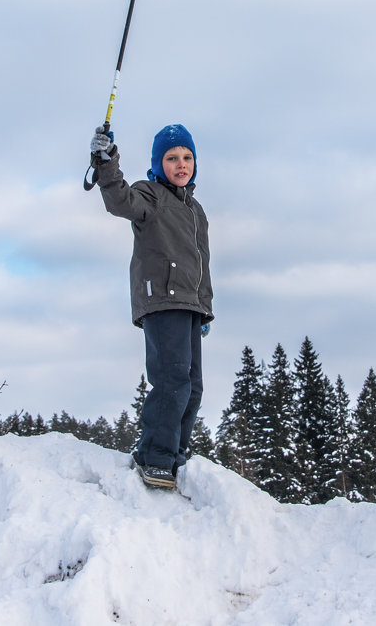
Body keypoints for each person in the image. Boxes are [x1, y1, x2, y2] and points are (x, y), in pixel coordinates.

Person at [90, 121, 214, 489]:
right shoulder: (150, 195)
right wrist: (106, 161)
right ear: (159, 164)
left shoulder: (197, 211)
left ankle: (175, 457)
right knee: (171, 379)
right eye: (172, 158)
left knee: (193, 385)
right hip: (161, 300)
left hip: (191, 304)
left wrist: (205, 307)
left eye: (187, 157)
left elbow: (203, 264)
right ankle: (156, 458)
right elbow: (118, 199)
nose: (181, 164)